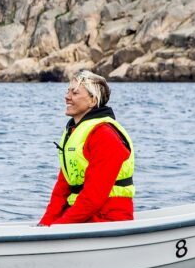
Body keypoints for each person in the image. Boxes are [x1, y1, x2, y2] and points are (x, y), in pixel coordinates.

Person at [38, 70, 135, 226]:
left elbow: (93, 196)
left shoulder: (105, 135)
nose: (67, 96)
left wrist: (60, 227)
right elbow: (62, 188)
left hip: (107, 219)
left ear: (92, 101)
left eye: (75, 93)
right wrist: (45, 223)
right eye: (68, 91)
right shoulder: (74, 132)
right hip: (82, 216)